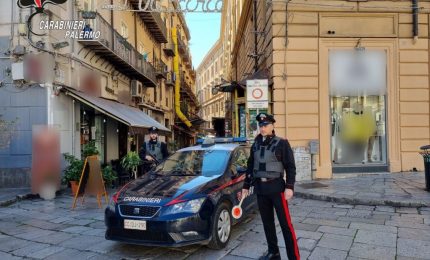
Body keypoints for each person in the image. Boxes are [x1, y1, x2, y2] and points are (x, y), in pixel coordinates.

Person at [241, 113, 299, 260]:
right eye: (260, 125)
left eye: (265, 125)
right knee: (267, 223)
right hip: (261, 189)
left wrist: (290, 187)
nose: (262, 128)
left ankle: (294, 257)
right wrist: (246, 186)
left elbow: (290, 167)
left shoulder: (282, 143)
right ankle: (274, 253)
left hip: (277, 188)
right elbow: (250, 166)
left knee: (286, 225)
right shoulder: (256, 144)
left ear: (272, 125)